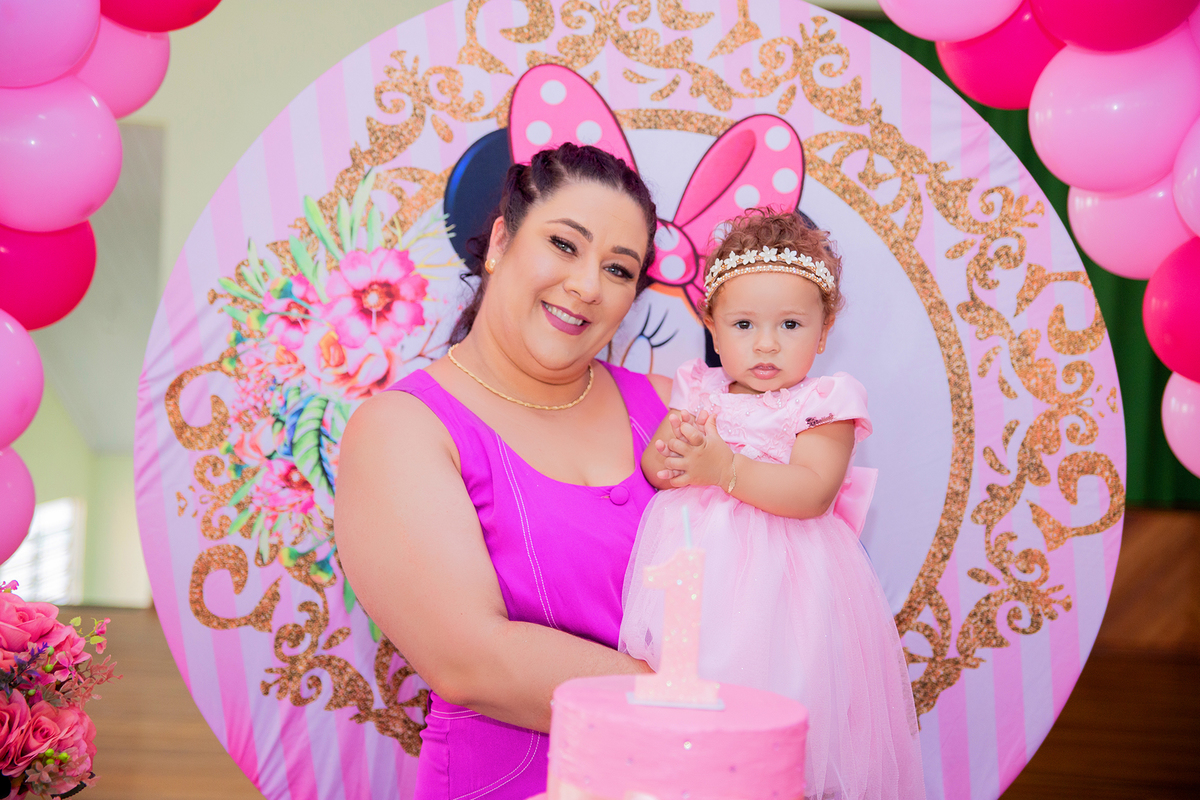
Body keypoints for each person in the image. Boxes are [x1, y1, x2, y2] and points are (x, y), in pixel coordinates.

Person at [335, 143, 670, 800]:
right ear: (498, 242)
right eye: (565, 245)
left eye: (619, 269)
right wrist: (700, 711)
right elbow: (470, 659)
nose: (588, 286)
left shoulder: (672, 410)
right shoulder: (403, 429)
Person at [619, 209, 926, 800]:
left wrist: (726, 468)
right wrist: (668, 458)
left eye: (789, 324)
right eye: (743, 325)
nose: (766, 344)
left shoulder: (822, 402)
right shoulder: (699, 389)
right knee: (697, 699)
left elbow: (812, 492)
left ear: (824, 330)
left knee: (778, 697)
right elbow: (661, 467)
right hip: (697, 579)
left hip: (787, 583)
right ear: (710, 325)